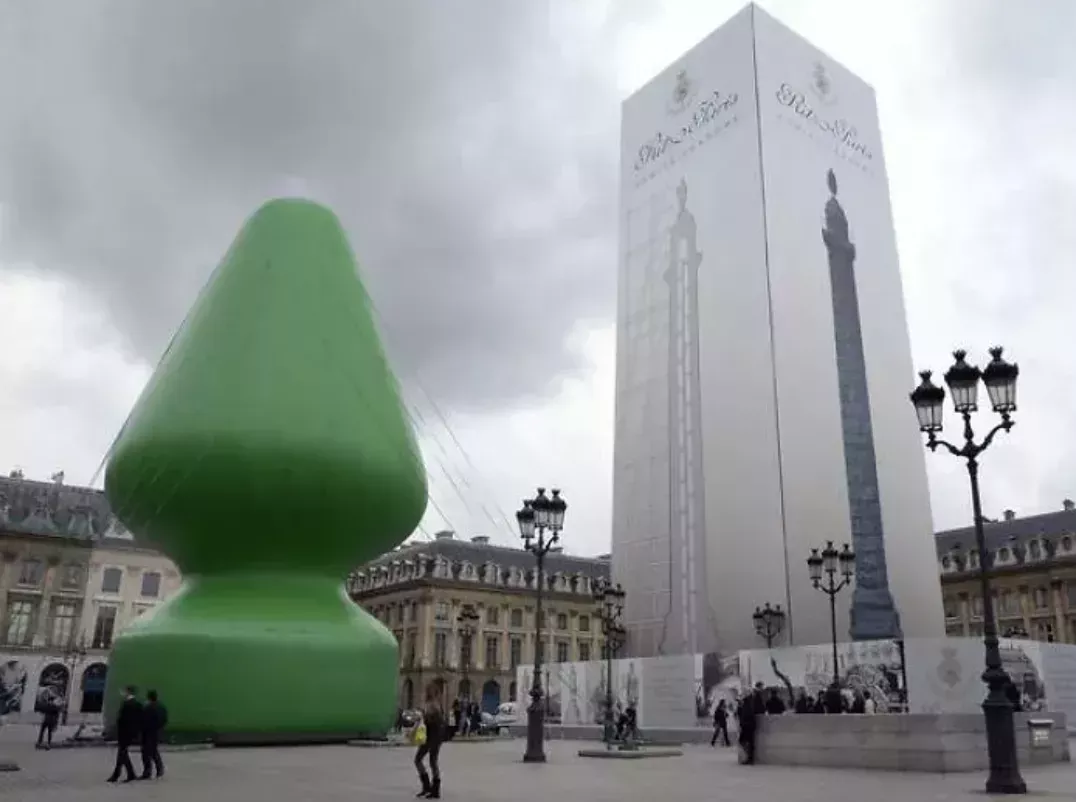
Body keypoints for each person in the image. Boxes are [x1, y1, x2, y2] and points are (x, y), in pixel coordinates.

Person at [107, 686, 142, 783]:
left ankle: (120, 775)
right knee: (122, 754)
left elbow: (123, 720)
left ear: (128, 692)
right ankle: (126, 774)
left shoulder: (127, 704)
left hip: (125, 733)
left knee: (122, 753)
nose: (122, 693)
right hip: (131, 733)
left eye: (124, 691)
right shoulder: (138, 704)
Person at [415, 687, 445, 799]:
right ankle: (433, 789)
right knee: (432, 762)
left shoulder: (433, 705)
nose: (426, 693)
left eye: (428, 691)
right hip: (435, 738)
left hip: (431, 737)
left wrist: (422, 717)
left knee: (419, 760)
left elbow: (432, 721)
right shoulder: (433, 705)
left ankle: (429, 788)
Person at [140, 690, 168, 780]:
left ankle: (147, 772)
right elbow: (164, 719)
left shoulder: (148, 708)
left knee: (145, 753)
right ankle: (159, 769)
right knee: (154, 751)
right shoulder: (162, 707)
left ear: (148, 698)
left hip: (147, 733)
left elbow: (143, 720)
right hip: (157, 732)